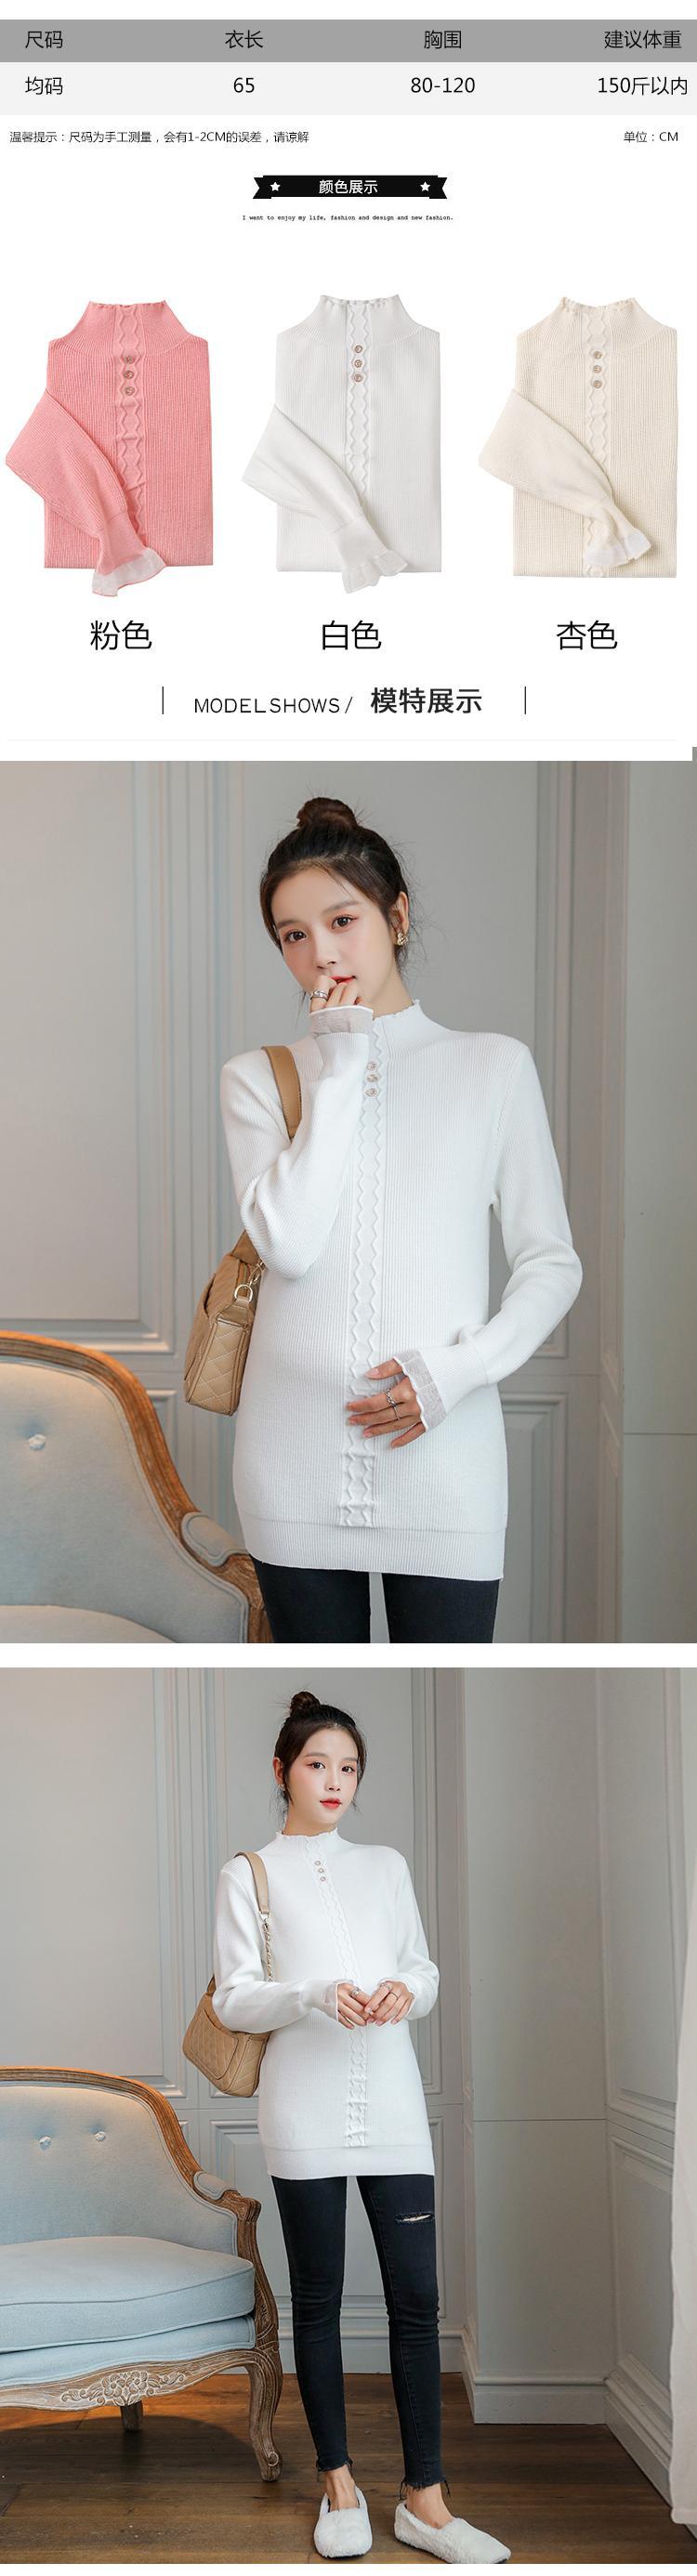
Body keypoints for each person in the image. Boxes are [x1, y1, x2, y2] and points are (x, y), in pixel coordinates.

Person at [220, 796, 582, 1644]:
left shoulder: (493, 1067)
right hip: (291, 1465)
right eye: (293, 934)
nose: (320, 952)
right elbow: (291, 1244)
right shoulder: (256, 1079)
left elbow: (551, 1262)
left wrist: (461, 1370)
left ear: (398, 916)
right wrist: (342, 1064)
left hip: (447, 1457)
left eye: (342, 920)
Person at [213, 1693, 511, 2564]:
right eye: (318, 1764)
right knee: (320, 2297)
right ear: (282, 1771)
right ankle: (338, 2483)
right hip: (300, 2103)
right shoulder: (247, 1873)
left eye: (348, 1767)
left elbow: (424, 1968)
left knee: (416, 2296)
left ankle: (426, 2500)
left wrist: (405, 1991)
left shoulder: (385, 1865)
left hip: (391, 2098)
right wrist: (313, 1992)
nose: (335, 1781)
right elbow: (233, 1997)